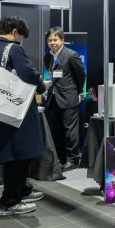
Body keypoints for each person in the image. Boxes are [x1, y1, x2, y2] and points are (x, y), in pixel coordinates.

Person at [0, 16, 51, 216]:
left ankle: (22, 190)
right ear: (14, 32)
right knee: (20, 155)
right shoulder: (13, 49)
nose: (21, 40)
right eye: (21, 36)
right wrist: (42, 86)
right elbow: (28, 74)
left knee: (12, 154)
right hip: (15, 111)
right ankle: (9, 202)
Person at [43, 27, 86, 171]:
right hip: (53, 98)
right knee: (55, 130)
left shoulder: (71, 55)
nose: (52, 43)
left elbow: (81, 76)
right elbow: (52, 76)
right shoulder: (47, 57)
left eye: (55, 39)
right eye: (50, 40)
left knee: (70, 131)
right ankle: (61, 158)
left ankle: (73, 159)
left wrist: (75, 92)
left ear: (62, 40)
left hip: (68, 98)